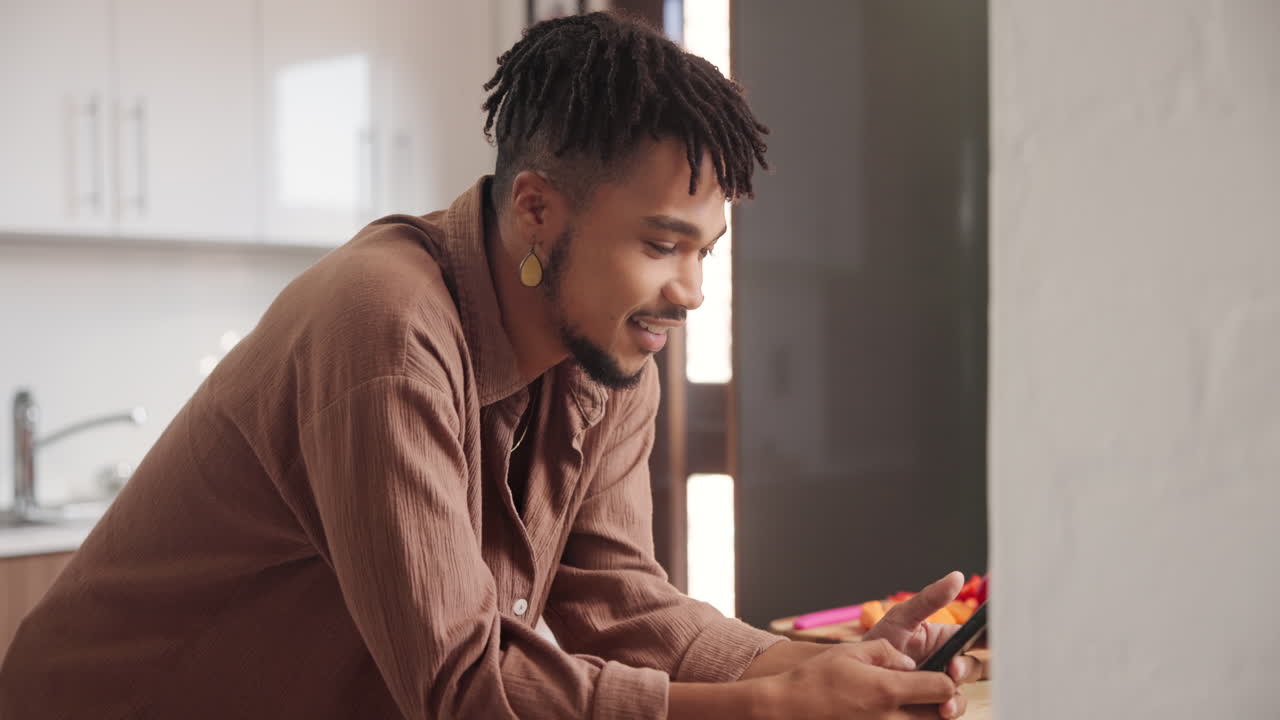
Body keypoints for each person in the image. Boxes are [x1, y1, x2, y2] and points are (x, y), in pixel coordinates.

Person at [0, 11, 981, 719]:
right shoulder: (383, 324)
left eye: (703, 252)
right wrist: (769, 706)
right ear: (536, 210)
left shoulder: (603, 355)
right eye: (659, 243)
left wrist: (809, 664)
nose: (688, 291)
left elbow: (616, 605)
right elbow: (463, 689)